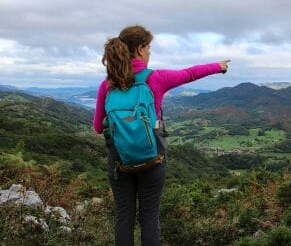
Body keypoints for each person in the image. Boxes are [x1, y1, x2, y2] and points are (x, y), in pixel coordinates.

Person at [93, 25, 230, 246]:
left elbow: (99, 128)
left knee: (124, 218)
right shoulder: (155, 78)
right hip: (152, 159)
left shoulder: (107, 85)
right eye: (149, 48)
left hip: (119, 161)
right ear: (140, 49)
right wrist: (218, 66)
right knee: (149, 218)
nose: (149, 53)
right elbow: (190, 73)